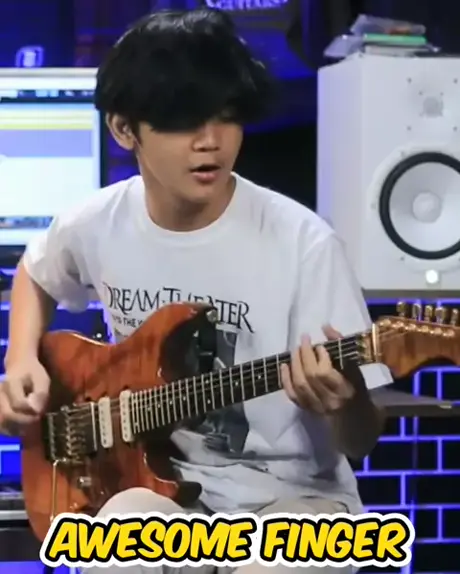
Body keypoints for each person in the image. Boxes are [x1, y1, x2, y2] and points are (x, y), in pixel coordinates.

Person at [0, 8, 392, 574]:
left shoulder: (305, 244)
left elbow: (360, 441)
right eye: (183, 122)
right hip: (160, 489)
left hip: (294, 502)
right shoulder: (97, 222)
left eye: (227, 118)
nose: (210, 142)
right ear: (124, 128)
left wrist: (346, 400)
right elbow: (35, 273)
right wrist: (19, 360)